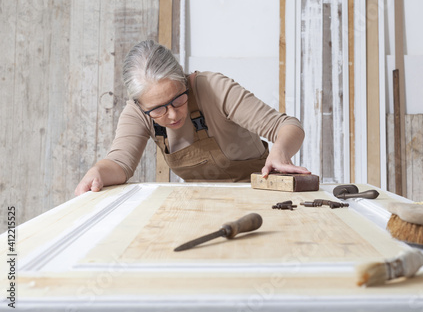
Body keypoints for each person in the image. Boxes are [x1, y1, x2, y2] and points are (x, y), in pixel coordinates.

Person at [75, 40, 310, 196]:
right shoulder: (137, 113)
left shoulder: (214, 88)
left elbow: (288, 125)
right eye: (158, 109)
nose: (173, 114)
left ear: (184, 80)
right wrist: (96, 172)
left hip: (261, 194)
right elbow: (119, 165)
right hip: (201, 201)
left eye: (178, 99)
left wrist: (279, 152)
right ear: (140, 105)